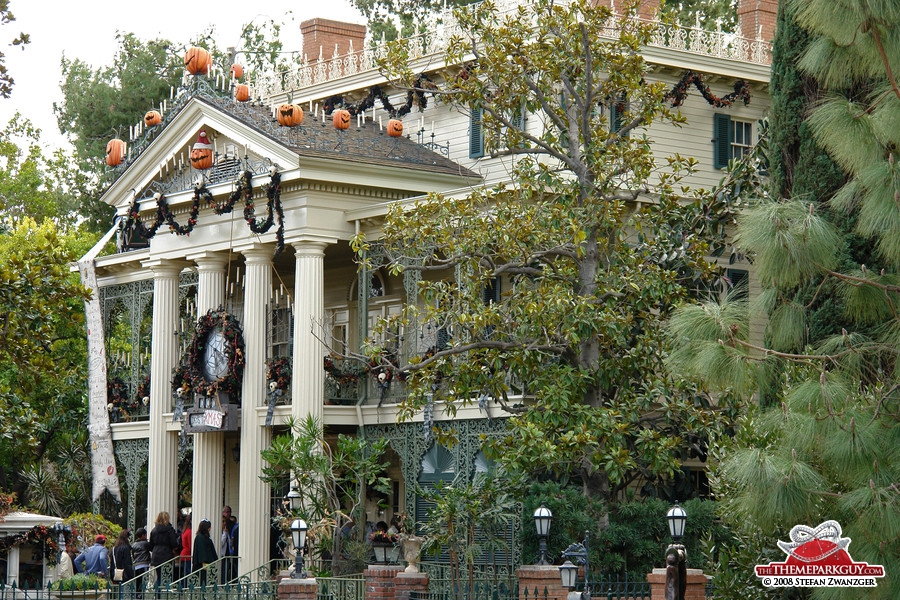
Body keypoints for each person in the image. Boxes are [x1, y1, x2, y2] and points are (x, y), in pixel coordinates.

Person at [191, 518, 218, 586]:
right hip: (203, 565)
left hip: (207, 563)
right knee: (203, 580)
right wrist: (204, 563)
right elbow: (202, 551)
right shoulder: (200, 537)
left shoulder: (204, 537)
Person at [131, 528, 151, 600]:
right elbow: (152, 548)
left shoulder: (134, 544)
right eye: (145, 535)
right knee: (143, 581)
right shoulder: (145, 543)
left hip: (136, 565)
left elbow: (133, 554)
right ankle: (140, 596)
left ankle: (137, 596)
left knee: (138, 581)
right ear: (143, 535)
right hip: (144, 564)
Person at [220, 506, 238, 583]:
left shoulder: (231, 525)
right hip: (221, 555)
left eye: (229, 512)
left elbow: (229, 542)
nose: (227, 514)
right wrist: (224, 533)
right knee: (222, 572)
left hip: (228, 554)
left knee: (227, 572)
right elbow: (221, 543)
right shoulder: (221, 530)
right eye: (225, 512)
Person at [179, 514, 192, 580]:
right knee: (188, 573)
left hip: (183, 554)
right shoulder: (189, 532)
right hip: (187, 555)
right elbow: (190, 546)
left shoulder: (184, 531)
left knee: (184, 574)